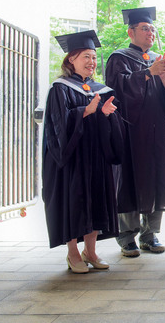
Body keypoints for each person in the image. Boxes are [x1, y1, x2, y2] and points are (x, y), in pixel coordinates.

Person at [105, 7, 165, 257]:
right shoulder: (119, 58)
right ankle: (127, 236)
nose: (150, 33)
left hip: (158, 132)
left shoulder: (161, 60)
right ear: (131, 32)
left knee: (157, 180)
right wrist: (148, 73)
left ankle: (150, 234)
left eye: (152, 29)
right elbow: (117, 88)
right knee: (130, 181)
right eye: (145, 28)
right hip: (132, 132)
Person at [43, 30, 123, 273]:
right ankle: (73, 253)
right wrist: (85, 112)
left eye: (94, 57)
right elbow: (57, 125)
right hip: (73, 158)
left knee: (96, 201)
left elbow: (109, 126)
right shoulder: (60, 88)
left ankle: (91, 251)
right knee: (74, 203)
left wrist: (106, 116)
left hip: (96, 155)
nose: (92, 62)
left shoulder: (100, 89)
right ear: (71, 59)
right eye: (86, 56)